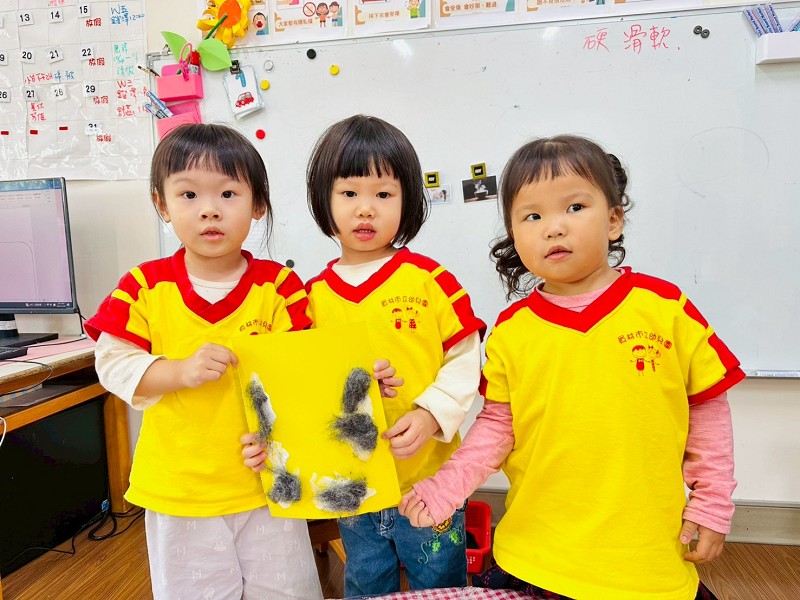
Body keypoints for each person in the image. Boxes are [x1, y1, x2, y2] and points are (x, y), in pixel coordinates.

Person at [399, 134, 745, 600]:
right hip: (539, 554)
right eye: (532, 216)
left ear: (614, 220)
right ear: (514, 235)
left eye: (575, 207)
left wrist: (712, 503)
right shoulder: (512, 329)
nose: (554, 228)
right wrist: (447, 487)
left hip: (642, 556)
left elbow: (707, 409)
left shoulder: (666, 309)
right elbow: (498, 426)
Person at [84, 123, 334, 600]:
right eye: (188, 194)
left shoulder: (280, 287)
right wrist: (177, 371)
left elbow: (305, 373)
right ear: (162, 205)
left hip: (268, 481)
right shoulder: (144, 286)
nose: (209, 209)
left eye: (228, 193)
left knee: (289, 591)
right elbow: (112, 362)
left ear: (258, 204)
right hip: (180, 489)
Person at [305, 114, 486, 596]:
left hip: (430, 480)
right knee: (366, 580)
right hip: (353, 480)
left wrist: (430, 414)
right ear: (324, 199)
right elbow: (305, 381)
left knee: (439, 581)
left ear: (408, 201)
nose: (366, 209)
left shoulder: (429, 280)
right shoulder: (310, 297)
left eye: (384, 194)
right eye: (349, 193)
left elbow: (465, 357)